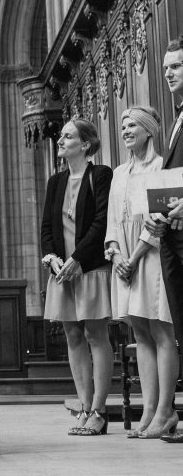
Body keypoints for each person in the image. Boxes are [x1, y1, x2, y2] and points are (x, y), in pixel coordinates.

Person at [105, 106, 178, 439]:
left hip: (150, 256)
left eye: (133, 124)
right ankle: (148, 410)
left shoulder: (162, 165)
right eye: (122, 126)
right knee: (141, 335)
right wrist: (116, 254)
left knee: (162, 332)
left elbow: (159, 219)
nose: (126, 130)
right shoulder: (119, 173)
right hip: (124, 261)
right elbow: (111, 221)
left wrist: (133, 257)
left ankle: (167, 409)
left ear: (149, 130)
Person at [40, 118, 113, 436]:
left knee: (96, 336)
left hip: (89, 267)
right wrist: (54, 260)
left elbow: (101, 221)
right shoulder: (55, 182)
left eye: (67, 136)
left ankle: (99, 409)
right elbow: (46, 228)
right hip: (62, 273)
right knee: (72, 337)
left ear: (85, 144)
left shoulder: (101, 175)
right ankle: (83, 407)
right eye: (61, 136)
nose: (60, 140)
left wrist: (76, 259)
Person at [143, 36, 183, 444]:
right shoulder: (177, 120)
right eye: (166, 65)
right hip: (173, 236)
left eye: (176, 66)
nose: (168, 72)